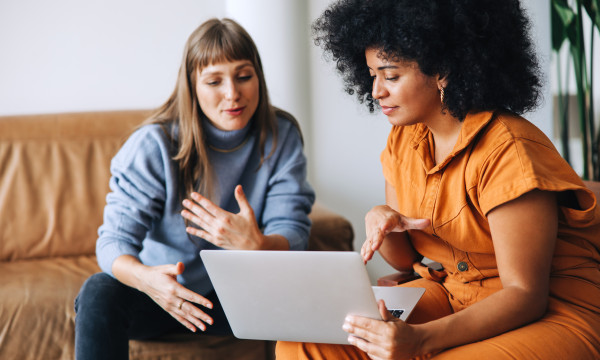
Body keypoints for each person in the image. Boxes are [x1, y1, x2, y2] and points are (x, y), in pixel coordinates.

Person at [277, 0, 600, 359]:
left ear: (443, 70)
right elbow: (404, 262)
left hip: (551, 312)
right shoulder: (404, 139)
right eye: (372, 75)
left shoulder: (509, 150)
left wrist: (421, 339)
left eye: (391, 75)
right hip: (452, 293)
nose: (376, 91)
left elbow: (525, 294)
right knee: (302, 343)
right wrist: (383, 220)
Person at [74, 18, 314, 359]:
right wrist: (147, 281)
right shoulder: (153, 144)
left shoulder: (281, 134)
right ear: (192, 85)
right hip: (161, 295)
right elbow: (113, 242)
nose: (232, 93)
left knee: (318, 289)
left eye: (244, 76)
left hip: (240, 296)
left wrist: (258, 245)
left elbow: (293, 230)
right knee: (99, 290)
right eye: (214, 81)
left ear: (258, 76)